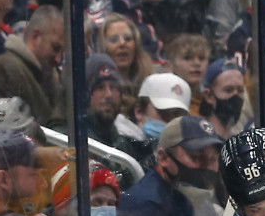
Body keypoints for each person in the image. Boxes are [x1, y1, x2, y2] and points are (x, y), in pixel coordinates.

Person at [0, 5, 66, 130]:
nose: (58, 59)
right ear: (36, 37)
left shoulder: (51, 78)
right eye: (55, 48)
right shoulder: (0, 70)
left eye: (62, 52)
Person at [85, 53, 154, 184]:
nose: (109, 95)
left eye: (114, 87)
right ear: (85, 95)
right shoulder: (70, 138)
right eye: (100, 87)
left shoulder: (126, 144)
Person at [136, 72, 193, 149]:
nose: (170, 122)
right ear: (139, 112)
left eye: (177, 115)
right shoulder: (121, 148)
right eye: (164, 113)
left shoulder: (188, 153)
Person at [199, 59, 252, 140]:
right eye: (228, 90)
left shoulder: (241, 142)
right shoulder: (202, 142)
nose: (235, 96)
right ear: (209, 96)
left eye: (240, 90)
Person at [162, 33, 211, 115]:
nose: (197, 63)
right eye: (187, 58)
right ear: (169, 66)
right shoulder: (161, 101)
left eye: (202, 58)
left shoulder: (211, 102)